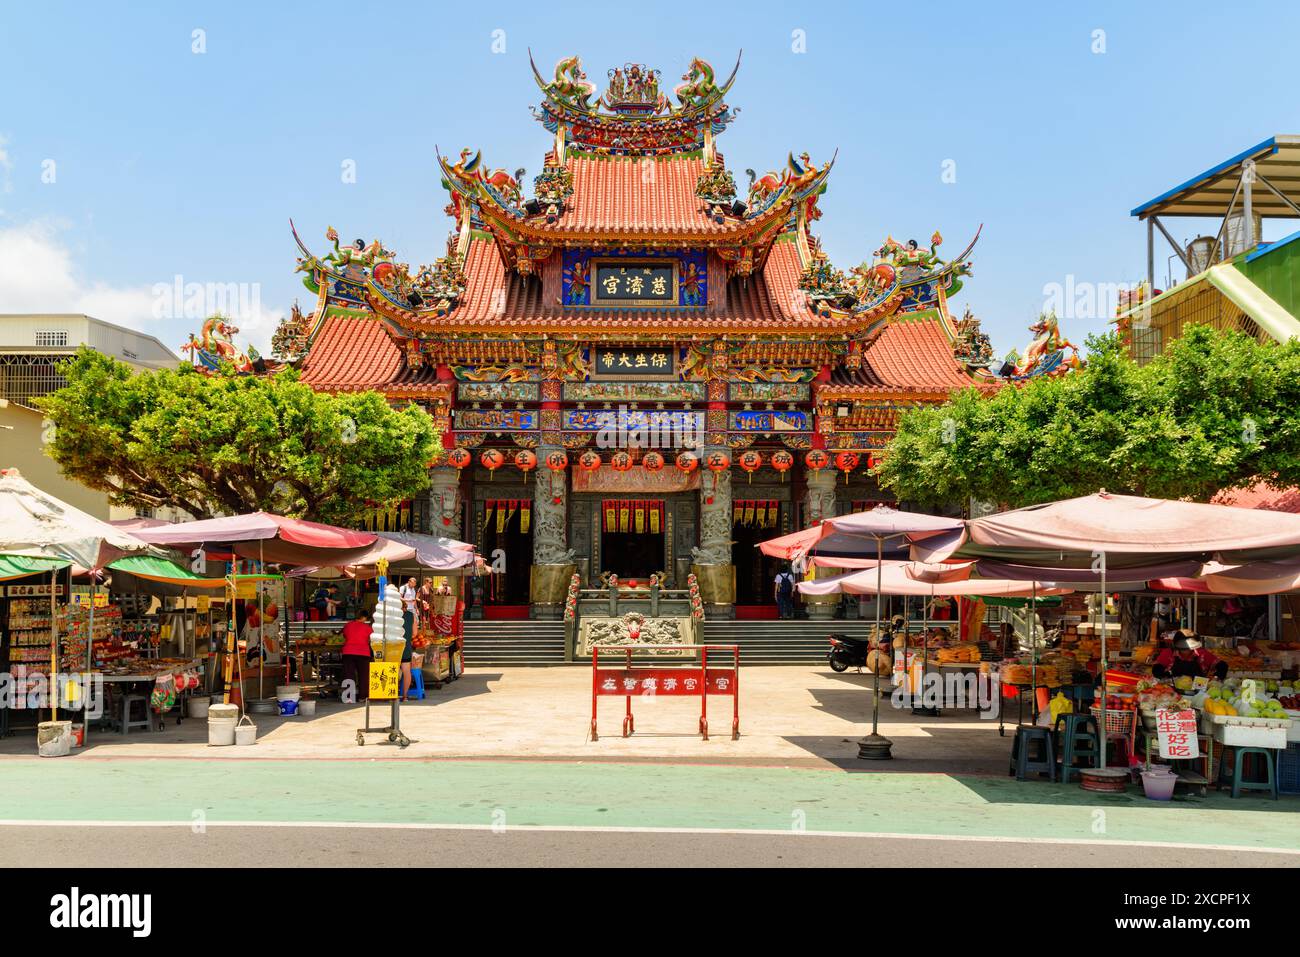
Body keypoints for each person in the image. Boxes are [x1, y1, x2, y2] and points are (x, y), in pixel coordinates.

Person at [1151, 630, 1228, 681]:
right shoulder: (1168, 653)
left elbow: (1223, 666)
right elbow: (1157, 669)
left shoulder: (1202, 654)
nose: (1186, 650)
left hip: (1198, 691)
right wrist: (1163, 675)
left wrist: (1216, 678)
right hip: (1172, 691)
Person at [339, 606, 373, 702]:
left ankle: (349, 697)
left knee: (349, 674)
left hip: (348, 652)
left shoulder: (348, 625)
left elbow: (344, 635)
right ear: (363, 617)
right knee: (363, 676)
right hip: (363, 653)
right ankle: (362, 697)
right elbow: (371, 639)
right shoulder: (367, 628)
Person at [399, 577, 418, 700]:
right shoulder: (411, 616)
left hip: (392, 647)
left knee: (393, 670)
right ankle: (405, 696)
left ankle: (391, 694)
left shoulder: (391, 615)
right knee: (406, 671)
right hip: (406, 646)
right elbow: (415, 634)